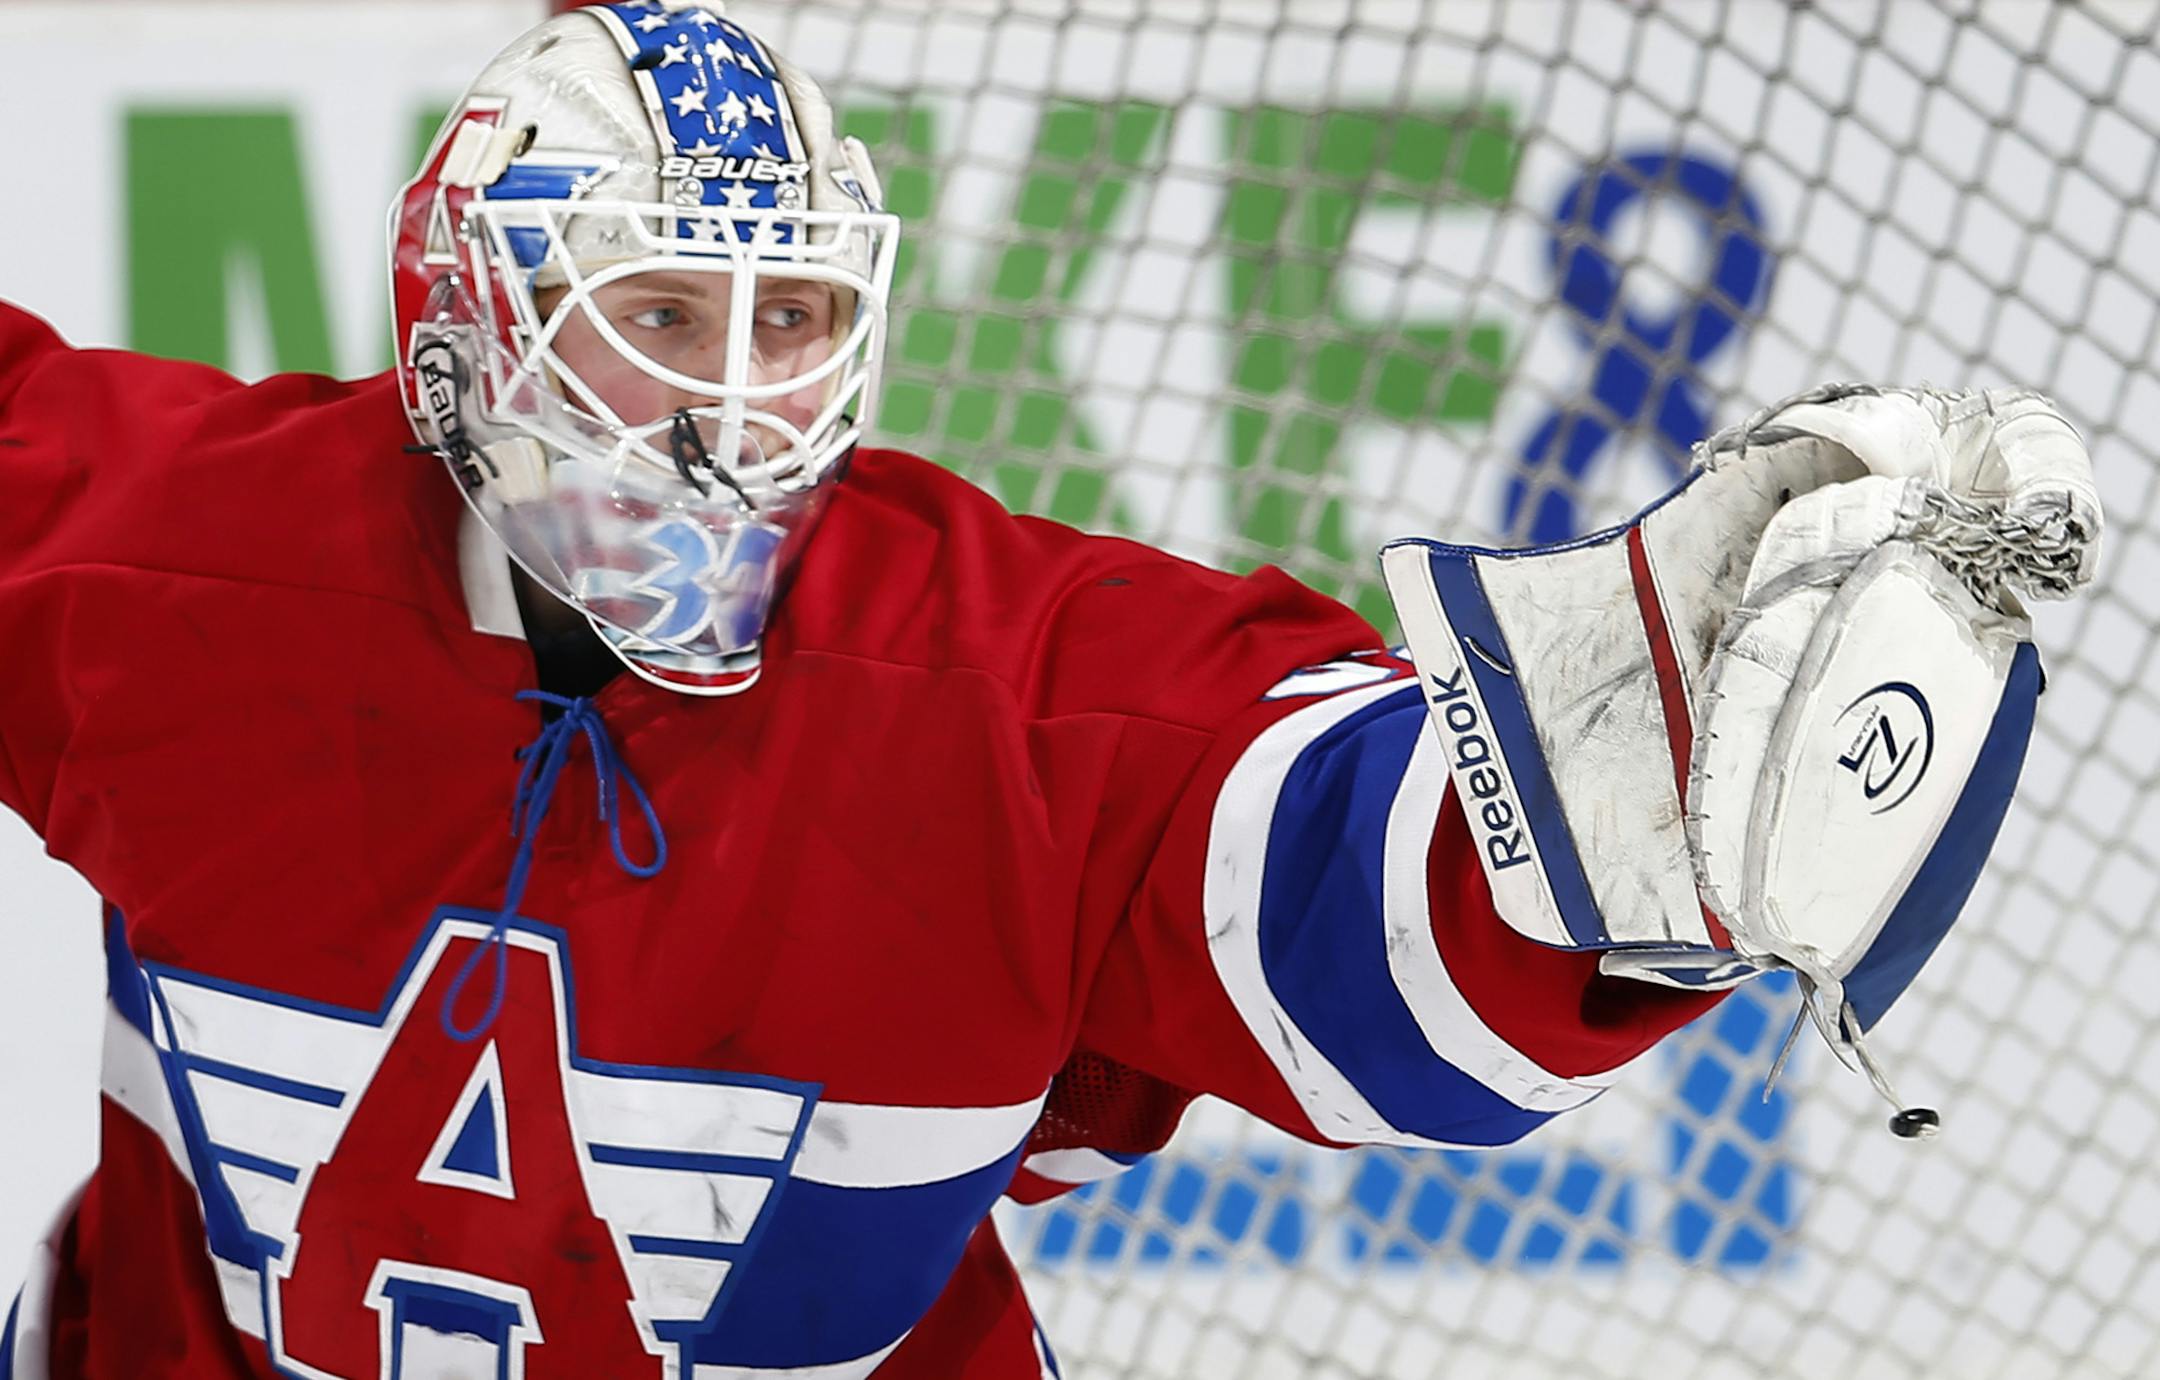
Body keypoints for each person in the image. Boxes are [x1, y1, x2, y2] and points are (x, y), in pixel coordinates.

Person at [0, 2, 2100, 1377]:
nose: (738, 404)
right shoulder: (182, 565)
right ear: (464, 316)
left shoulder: (998, 681)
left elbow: (1337, 878)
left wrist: (1597, 814)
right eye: (659, 311)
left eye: (794, 314)